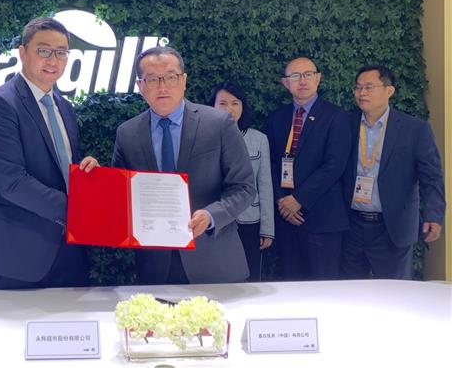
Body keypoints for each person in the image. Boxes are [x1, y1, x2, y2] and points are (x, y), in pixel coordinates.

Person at [0, 17, 98, 289]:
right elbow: (12, 182)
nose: (53, 60)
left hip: (68, 251)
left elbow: (62, 171)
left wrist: (87, 174)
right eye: (43, 50)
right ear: (23, 52)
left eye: (61, 52)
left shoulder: (65, 107)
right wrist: (78, 208)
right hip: (16, 253)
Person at [112, 47, 255, 284]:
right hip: (155, 266)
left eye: (170, 77)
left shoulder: (219, 124)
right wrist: (94, 176)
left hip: (214, 260)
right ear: (140, 86)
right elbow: (120, 196)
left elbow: (244, 187)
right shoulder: (127, 134)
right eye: (152, 79)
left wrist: (211, 215)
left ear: (184, 80)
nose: (162, 87)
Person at [341, 65, 445, 279]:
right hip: (352, 226)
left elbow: (431, 177)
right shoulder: (345, 124)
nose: (362, 93)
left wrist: (433, 214)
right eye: (358, 87)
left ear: (389, 91)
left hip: (392, 227)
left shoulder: (414, 129)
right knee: (351, 291)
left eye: (369, 87)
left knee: (395, 291)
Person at [264, 56, 350, 280]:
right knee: (290, 284)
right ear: (286, 83)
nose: (302, 81)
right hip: (286, 219)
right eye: (295, 76)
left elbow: (334, 165)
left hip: (322, 219)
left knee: (324, 287)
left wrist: (298, 199)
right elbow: (270, 163)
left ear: (318, 78)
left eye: (308, 74)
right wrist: (282, 201)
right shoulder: (276, 118)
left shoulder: (336, 117)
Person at [210, 81, 274, 281]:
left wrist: (268, 228)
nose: (229, 109)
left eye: (235, 103)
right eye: (222, 103)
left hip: (249, 219)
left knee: (250, 277)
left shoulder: (259, 139)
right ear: (212, 106)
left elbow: (265, 185)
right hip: (216, 219)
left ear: (243, 106)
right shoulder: (204, 138)